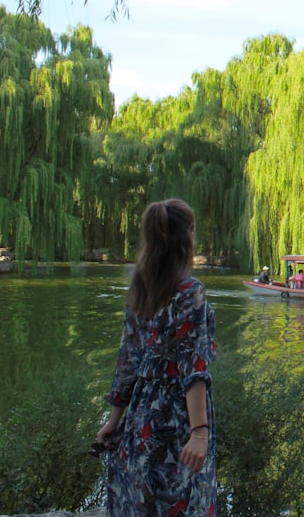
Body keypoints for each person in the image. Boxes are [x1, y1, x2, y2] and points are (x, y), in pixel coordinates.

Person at [95, 199, 217, 515]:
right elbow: (194, 364)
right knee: (181, 500)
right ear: (187, 237)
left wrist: (114, 420)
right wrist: (199, 431)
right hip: (178, 421)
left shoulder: (140, 288)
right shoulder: (190, 291)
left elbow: (127, 360)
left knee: (141, 499)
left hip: (141, 416)